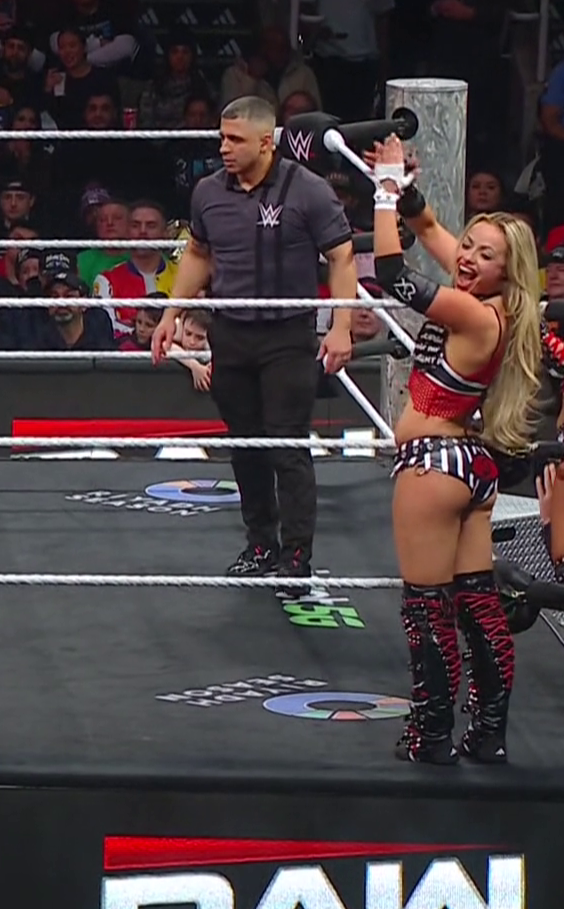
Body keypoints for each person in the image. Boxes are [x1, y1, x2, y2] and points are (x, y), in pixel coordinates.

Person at [368, 136, 541, 764]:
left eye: (484, 254)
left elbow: (392, 275)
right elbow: (430, 229)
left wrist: (384, 192)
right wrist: (409, 191)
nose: (466, 258)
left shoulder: (474, 316)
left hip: (434, 467)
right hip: (471, 467)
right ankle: (488, 733)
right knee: (477, 605)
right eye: (469, 245)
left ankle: (431, 733)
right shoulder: (500, 306)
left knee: (426, 607)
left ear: (506, 270)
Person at [154, 96, 357, 593]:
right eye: (221, 137)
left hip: (287, 334)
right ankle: (261, 544)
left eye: (235, 139)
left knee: (286, 445)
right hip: (231, 332)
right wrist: (171, 314)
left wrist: (342, 326)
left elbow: (342, 256)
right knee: (245, 444)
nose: (224, 147)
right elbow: (198, 253)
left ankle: (297, 557)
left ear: (266, 142)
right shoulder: (208, 191)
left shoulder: (307, 190)